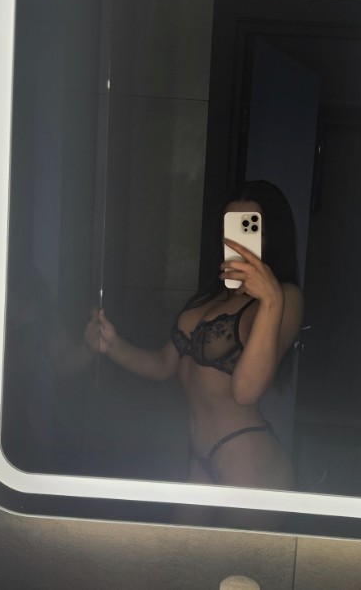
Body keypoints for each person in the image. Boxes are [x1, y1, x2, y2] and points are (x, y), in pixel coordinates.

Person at [85, 180, 304, 527]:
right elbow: (163, 364)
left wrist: (270, 299)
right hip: (200, 459)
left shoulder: (285, 297)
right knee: (178, 554)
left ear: (272, 235)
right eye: (230, 228)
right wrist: (112, 345)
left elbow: (246, 391)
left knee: (234, 561)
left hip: (248, 462)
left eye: (250, 228)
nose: (236, 241)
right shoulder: (210, 298)